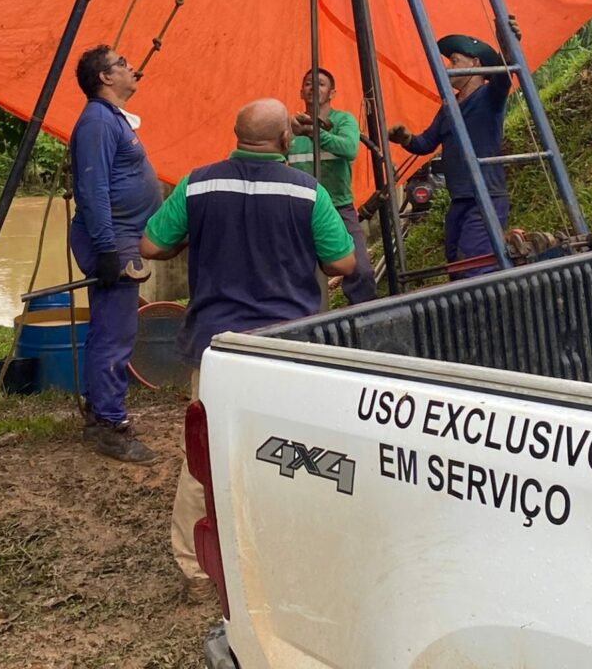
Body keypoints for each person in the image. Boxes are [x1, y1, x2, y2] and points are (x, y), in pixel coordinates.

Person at [139, 97, 355, 601]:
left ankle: (195, 572)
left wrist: (186, 243)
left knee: (206, 455)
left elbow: (150, 246)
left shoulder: (199, 183)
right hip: (288, 345)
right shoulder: (308, 191)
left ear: (236, 135)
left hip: (218, 345)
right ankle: (283, 551)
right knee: (293, 451)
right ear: (286, 141)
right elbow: (343, 261)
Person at [69, 45, 162, 464]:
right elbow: (92, 189)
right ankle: (109, 424)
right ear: (105, 77)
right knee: (115, 333)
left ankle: (99, 413)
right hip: (113, 239)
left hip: (122, 236)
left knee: (109, 327)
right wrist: (107, 249)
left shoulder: (112, 120)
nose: (131, 67)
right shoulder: (96, 123)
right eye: (122, 63)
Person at [388, 17, 520, 276]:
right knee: (456, 265)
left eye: (455, 61)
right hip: (460, 198)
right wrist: (405, 137)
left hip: (486, 196)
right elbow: (426, 144)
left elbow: (504, 77)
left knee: (473, 265)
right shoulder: (449, 106)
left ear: (476, 64)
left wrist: (506, 48)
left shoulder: (489, 96)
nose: (449, 67)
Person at [288, 67, 377, 304]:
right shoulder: (290, 127)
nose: (313, 87)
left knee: (361, 271)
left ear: (332, 92)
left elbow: (349, 148)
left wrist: (316, 133)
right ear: (301, 91)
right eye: (308, 83)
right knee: (294, 273)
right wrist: (295, 130)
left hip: (338, 208)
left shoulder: (343, 120)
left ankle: (365, 323)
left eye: (320, 83)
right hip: (300, 210)